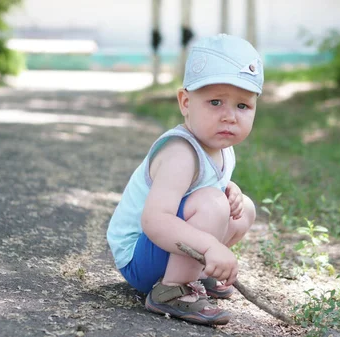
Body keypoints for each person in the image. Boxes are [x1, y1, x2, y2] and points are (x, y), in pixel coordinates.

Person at [106, 34, 263, 326]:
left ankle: (197, 273)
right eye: (215, 102)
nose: (230, 116)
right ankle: (171, 289)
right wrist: (209, 246)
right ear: (186, 102)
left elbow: (205, 191)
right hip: (139, 255)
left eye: (243, 106)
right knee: (213, 204)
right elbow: (154, 221)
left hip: (167, 246)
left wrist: (230, 190)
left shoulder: (223, 148)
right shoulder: (180, 152)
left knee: (244, 208)